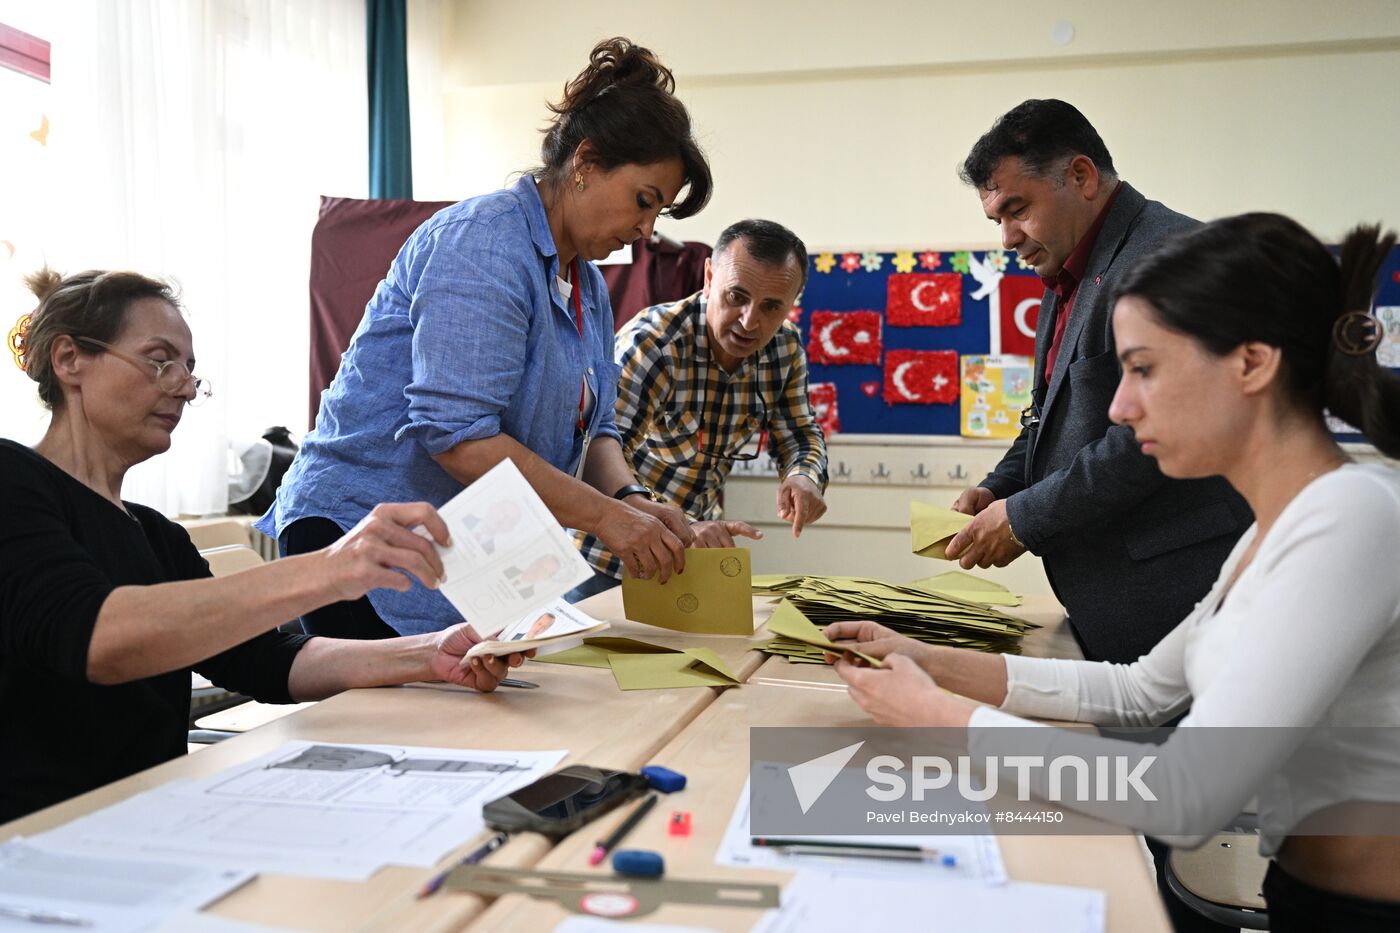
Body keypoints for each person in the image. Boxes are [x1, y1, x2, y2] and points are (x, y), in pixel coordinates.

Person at [831, 215, 1400, 932]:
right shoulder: (1274, 526)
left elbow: (1187, 795)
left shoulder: (1350, 516)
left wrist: (936, 715)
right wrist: (932, 662)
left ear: (1251, 363)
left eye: (1144, 368)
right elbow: (1138, 690)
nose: (1121, 408)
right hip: (1307, 898)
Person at [0, 269, 529, 824]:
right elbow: (95, 637)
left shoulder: (156, 534)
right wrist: (329, 568)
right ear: (69, 360)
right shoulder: (13, 482)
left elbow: (259, 662)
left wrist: (430, 654)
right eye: (160, 360)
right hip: (38, 839)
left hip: (146, 821)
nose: (182, 386)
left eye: (189, 370)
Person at [258, 37, 712, 638]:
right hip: (367, 534)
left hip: (466, 553)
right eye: (643, 201)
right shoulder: (485, 245)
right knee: (400, 726)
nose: (646, 228)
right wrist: (606, 518)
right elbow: (460, 439)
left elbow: (594, 427)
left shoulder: (587, 286)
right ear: (586, 162)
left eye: (658, 214)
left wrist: (629, 498)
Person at [944, 99, 1251, 665]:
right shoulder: (1066, 277)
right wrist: (1001, 489)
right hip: (1116, 608)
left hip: (1180, 598)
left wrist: (1024, 518)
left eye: (1018, 209)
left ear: (1081, 176)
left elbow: (1152, 439)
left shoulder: (1171, 255)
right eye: (997, 220)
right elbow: (1047, 420)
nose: (1008, 238)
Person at [569, 219, 828, 600]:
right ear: (709, 276)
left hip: (688, 553)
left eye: (772, 307)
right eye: (736, 297)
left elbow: (800, 434)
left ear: (793, 303)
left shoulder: (784, 348)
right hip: (602, 557)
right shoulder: (654, 344)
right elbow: (597, 457)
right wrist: (686, 527)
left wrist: (805, 475)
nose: (749, 321)